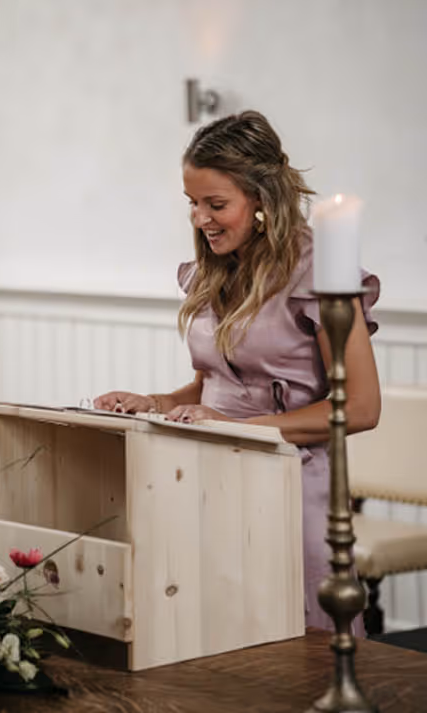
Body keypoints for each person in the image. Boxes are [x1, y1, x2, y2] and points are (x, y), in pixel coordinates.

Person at [94, 110, 381, 632]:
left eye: (216, 204)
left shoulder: (318, 268)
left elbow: (361, 407)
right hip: (208, 478)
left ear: (262, 200)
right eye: (193, 204)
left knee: (296, 657)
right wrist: (156, 402)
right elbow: (216, 384)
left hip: (288, 486)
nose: (201, 219)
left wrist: (233, 431)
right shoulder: (215, 268)